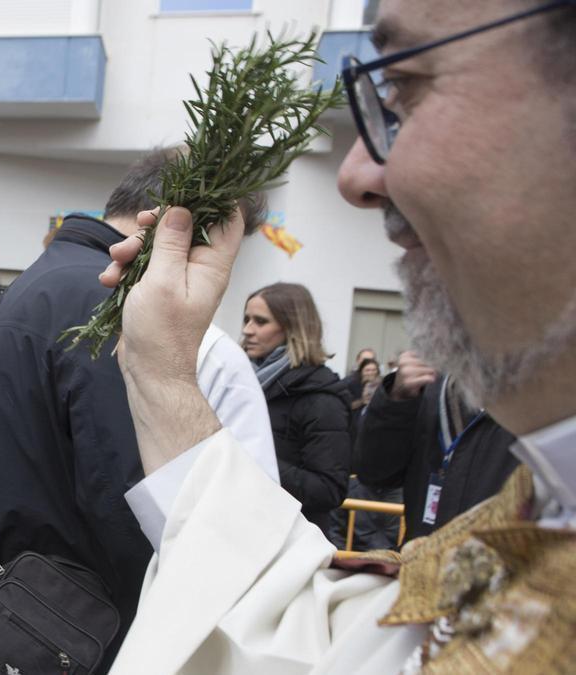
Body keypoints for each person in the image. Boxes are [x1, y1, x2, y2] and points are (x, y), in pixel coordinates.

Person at [103, 1, 576, 671]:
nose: (356, 176)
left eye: (404, 88)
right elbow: (326, 638)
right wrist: (161, 367)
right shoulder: (544, 504)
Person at [0, 148, 279, 672]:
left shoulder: (45, 280)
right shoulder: (106, 304)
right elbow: (123, 500)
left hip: (2, 612)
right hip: (59, 630)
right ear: (179, 225)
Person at [355, 350, 519, 543]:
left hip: (500, 554)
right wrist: (397, 400)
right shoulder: (428, 382)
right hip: (424, 552)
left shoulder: (539, 394)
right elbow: (375, 473)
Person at [243, 282, 351, 536]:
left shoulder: (321, 398)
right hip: (241, 531)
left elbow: (328, 490)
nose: (247, 330)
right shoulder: (241, 382)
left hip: (287, 540)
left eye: (260, 321)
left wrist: (255, 460)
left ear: (292, 328)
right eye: (246, 319)